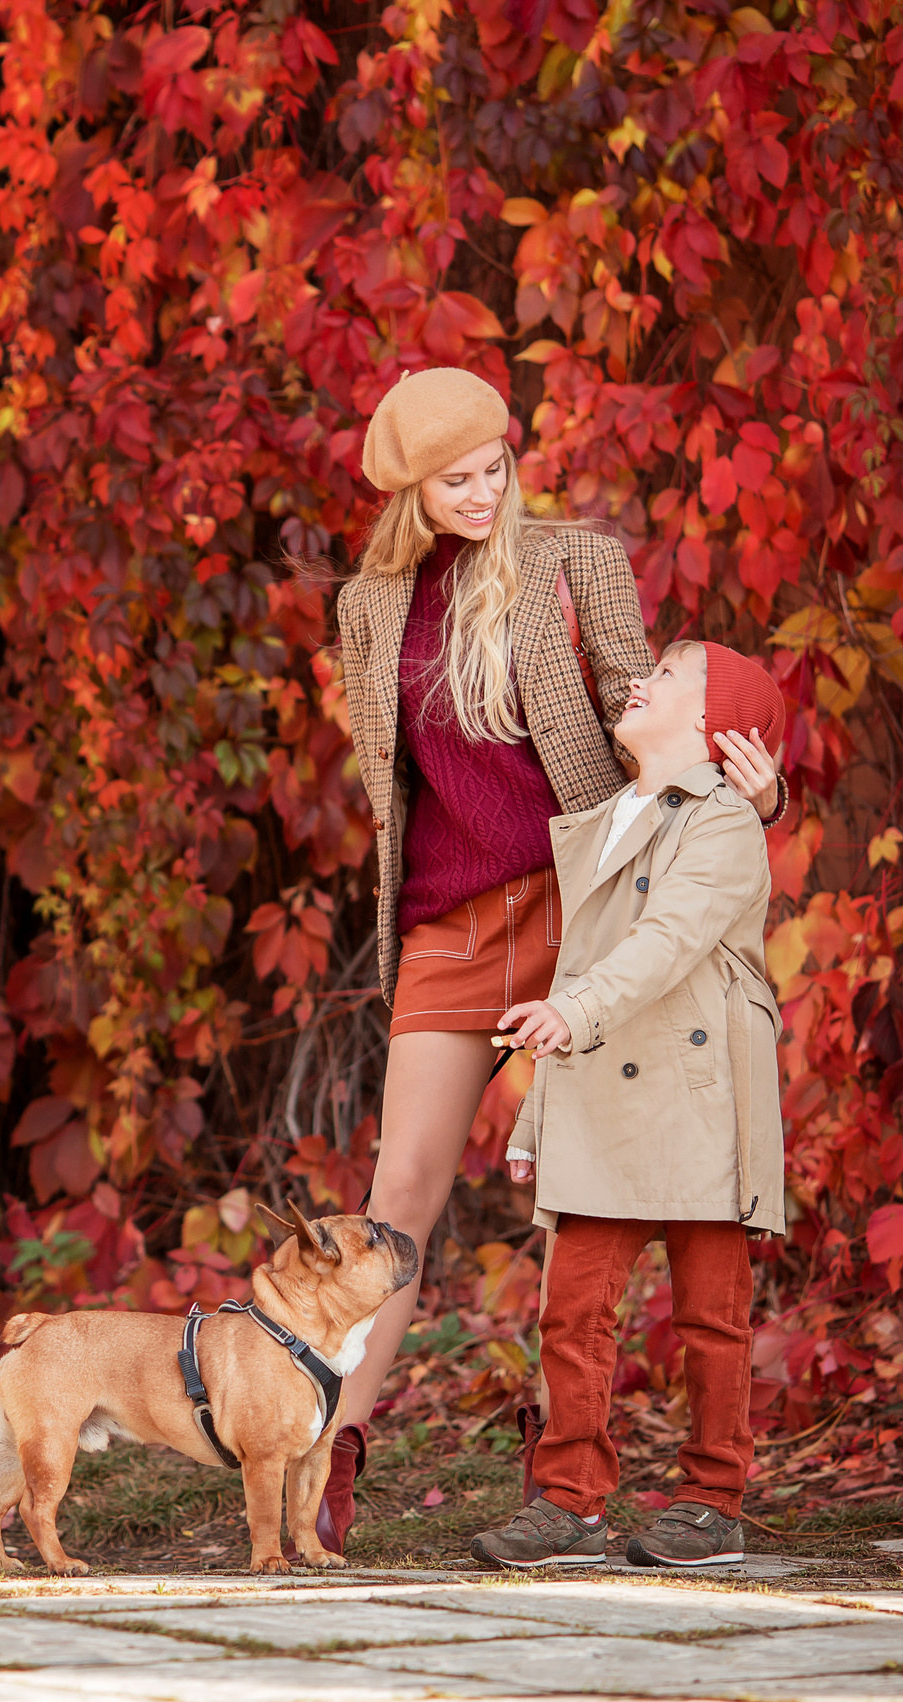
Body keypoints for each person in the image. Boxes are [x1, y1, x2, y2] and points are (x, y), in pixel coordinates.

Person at [325, 368, 787, 1552]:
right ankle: (329, 1459)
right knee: (400, 1204)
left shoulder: (575, 565)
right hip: (444, 927)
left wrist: (760, 791)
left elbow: (655, 719)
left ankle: (573, 1483)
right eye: (456, 481)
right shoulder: (368, 608)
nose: (483, 494)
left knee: (596, 1190)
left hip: (584, 911)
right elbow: (395, 783)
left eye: (495, 469)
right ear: (410, 492)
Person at [469, 639, 789, 1569]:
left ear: (711, 724)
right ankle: (569, 1499)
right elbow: (579, 964)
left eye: (667, 676)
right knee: (571, 1311)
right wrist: (535, 1115)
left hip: (702, 1098)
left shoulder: (727, 822)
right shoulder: (607, 817)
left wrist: (571, 1014)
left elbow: (668, 939)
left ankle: (711, 1499)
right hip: (602, 1088)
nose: (638, 681)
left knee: (713, 1317)